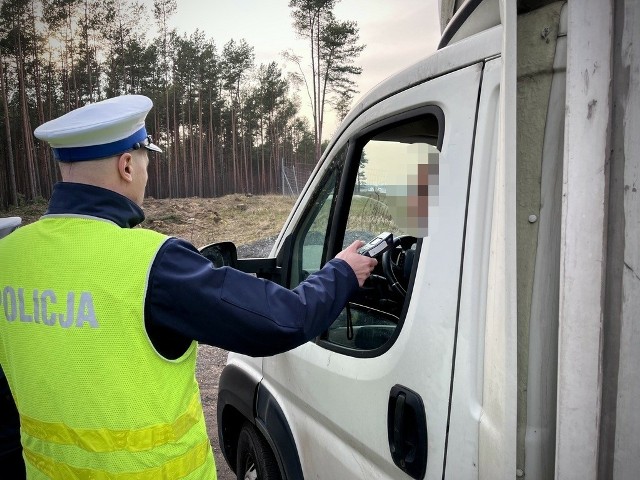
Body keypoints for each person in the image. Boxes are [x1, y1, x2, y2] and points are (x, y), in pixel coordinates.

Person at [0, 95, 377, 479]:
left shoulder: (8, 256)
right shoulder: (154, 263)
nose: (147, 171)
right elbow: (283, 319)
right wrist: (342, 272)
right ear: (127, 165)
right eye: (146, 159)